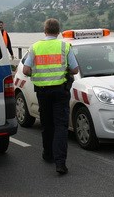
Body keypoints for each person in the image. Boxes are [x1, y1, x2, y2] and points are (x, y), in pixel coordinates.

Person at [22, 18, 79, 174]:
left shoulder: (35, 47)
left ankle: (48, 154)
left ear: (45, 31)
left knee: (47, 124)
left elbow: (26, 70)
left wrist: (37, 74)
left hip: (42, 92)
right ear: (58, 32)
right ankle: (60, 163)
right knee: (60, 126)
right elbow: (75, 69)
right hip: (60, 91)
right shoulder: (64, 46)